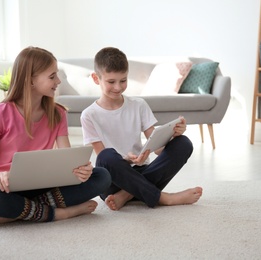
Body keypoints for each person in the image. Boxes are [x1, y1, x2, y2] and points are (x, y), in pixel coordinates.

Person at [0, 46, 111, 228]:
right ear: (30, 81)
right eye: (52, 76)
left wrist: (82, 170)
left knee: (102, 176)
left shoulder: (57, 113)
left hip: (43, 187)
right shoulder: (0, 113)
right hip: (7, 190)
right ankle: (59, 213)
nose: (58, 81)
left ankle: (16, 214)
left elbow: (67, 162)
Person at [81, 47, 203, 211]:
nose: (118, 87)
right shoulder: (89, 115)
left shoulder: (138, 105)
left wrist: (173, 135)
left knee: (184, 143)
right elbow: (102, 157)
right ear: (96, 79)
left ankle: (126, 195)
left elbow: (159, 150)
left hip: (143, 172)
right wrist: (129, 159)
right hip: (112, 181)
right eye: (111, 82)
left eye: (123, 80)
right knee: (106, 156)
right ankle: (164, 198)